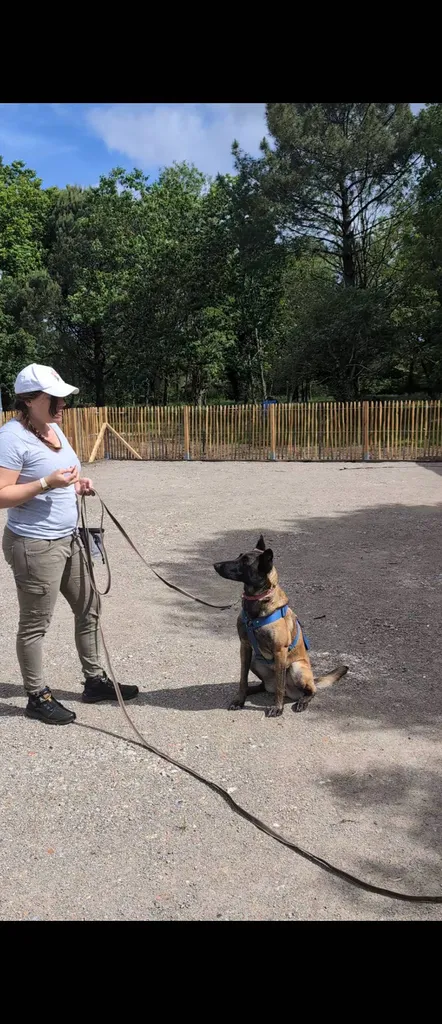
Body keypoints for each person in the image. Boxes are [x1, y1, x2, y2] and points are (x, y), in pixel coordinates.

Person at [0, 363, 139, 725]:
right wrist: (46, 483)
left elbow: (64, 474)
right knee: (35, 623)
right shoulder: (12, 437)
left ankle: (94, 681)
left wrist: (77, 484)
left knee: (89, 606)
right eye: (55, 398)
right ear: (29, 400)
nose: (63, 404)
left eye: (64, 398)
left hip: (69, 537)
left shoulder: (54, 429)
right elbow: (1, 495)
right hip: (33, 544)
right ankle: (36, 695)